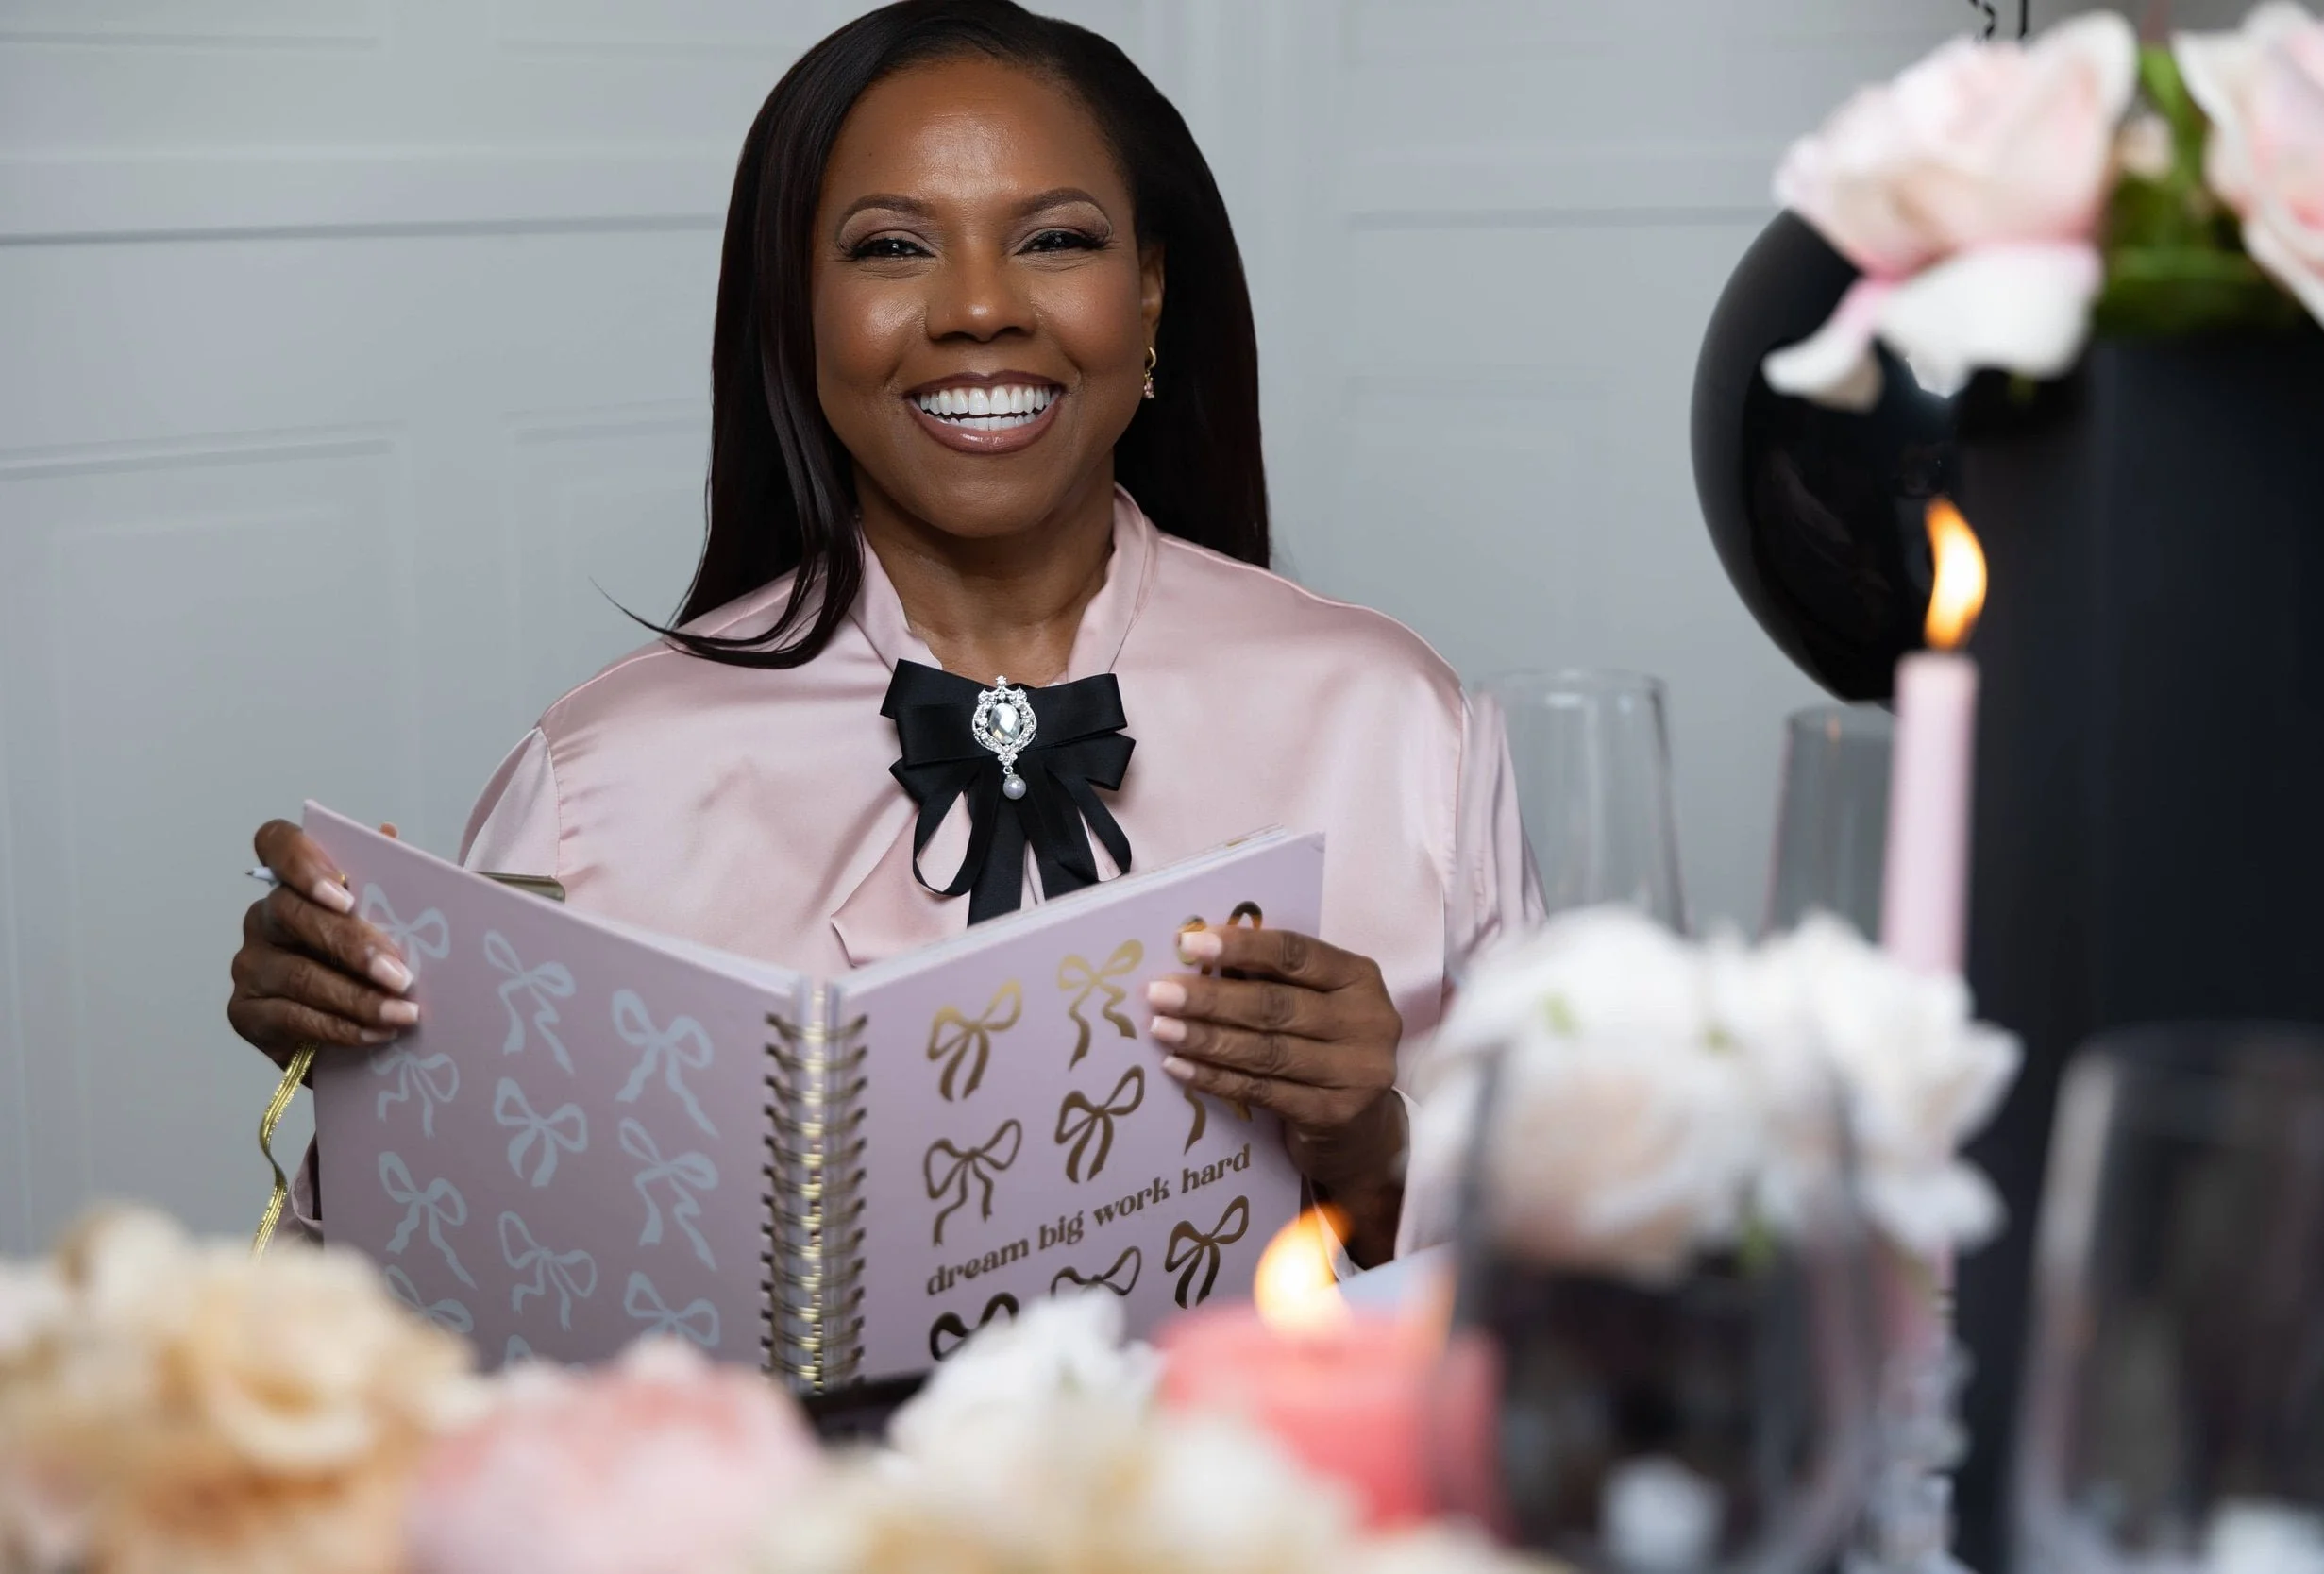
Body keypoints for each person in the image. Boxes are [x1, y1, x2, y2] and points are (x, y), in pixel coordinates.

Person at [225, 0, 1539, 1266]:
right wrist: (373, 1072)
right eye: (892, 248)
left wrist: (1371, 1144)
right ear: (796, 321)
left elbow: (1595, 1278)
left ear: (1150, 296)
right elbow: (425, 1319)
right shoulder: (597, 783)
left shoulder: (1396, 721)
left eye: (1058, 239)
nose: (978, 307)